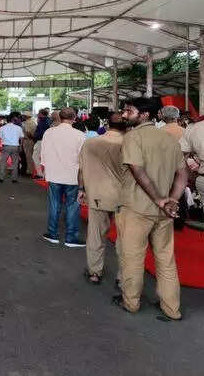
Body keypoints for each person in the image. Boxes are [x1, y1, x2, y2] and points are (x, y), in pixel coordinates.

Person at [115, 97, 187, 321]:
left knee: (132, 258)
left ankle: (131, 303)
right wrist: (171, 200)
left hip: (136, 209)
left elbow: (138, 171)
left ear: (145, 115)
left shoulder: (132, 137)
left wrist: (158, 199)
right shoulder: (169, 140)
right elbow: (183, 174)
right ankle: (172, 308)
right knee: (165, 260)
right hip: (164, 213)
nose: (124, 115)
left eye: (129, 111)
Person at [78, 112, 128, 284]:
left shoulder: (91, 142)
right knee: (125, 239)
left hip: (97, 195)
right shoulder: (129, 143)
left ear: (107, 124)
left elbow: (81, 169)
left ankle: (94, 272)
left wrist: (82, 189)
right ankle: (123, 277)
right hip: (125, 198)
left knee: (96, 235)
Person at [40, 107, 86, 247]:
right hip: (73, 176)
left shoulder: (49, 132)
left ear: (60, 117)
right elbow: (83, 159)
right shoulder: (80, 135)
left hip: (54, 174)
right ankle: (71, 238)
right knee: (72, 206)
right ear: (74, 118)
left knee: (54, 204)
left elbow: (44, 153)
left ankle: (52, 234)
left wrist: (46, 169)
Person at [0, 111, 23, 183]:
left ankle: (1, 178)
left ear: (6, 120)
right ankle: (14, 179)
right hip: (15, 146)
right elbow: (21, 138)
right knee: (15, 163)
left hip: (5, 146)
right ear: (12, 120)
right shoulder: (18, 128)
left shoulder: (2, 128)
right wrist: (20, 146)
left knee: (3, 162)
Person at [32, 108, 51, 179]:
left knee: (35, 156)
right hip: (45, 141)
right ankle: (44, 174)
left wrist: (35, 136)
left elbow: (41, 132)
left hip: (41, 140)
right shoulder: (48, 120)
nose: (38, 114)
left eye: (39, 113)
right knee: (45, 158)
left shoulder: (43, 122)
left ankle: (40, 174)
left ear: (41, 114)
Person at [22, 112, 37, 177]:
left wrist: (31, 138)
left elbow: (28, 132)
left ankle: (29, 171)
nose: (23, 117)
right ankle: (31, 170)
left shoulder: (26, 123)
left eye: (24, 115)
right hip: (32, 140)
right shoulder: (33, 122)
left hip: (27, 140)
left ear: (26, 116)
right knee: (31, 156)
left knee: (28, 156)